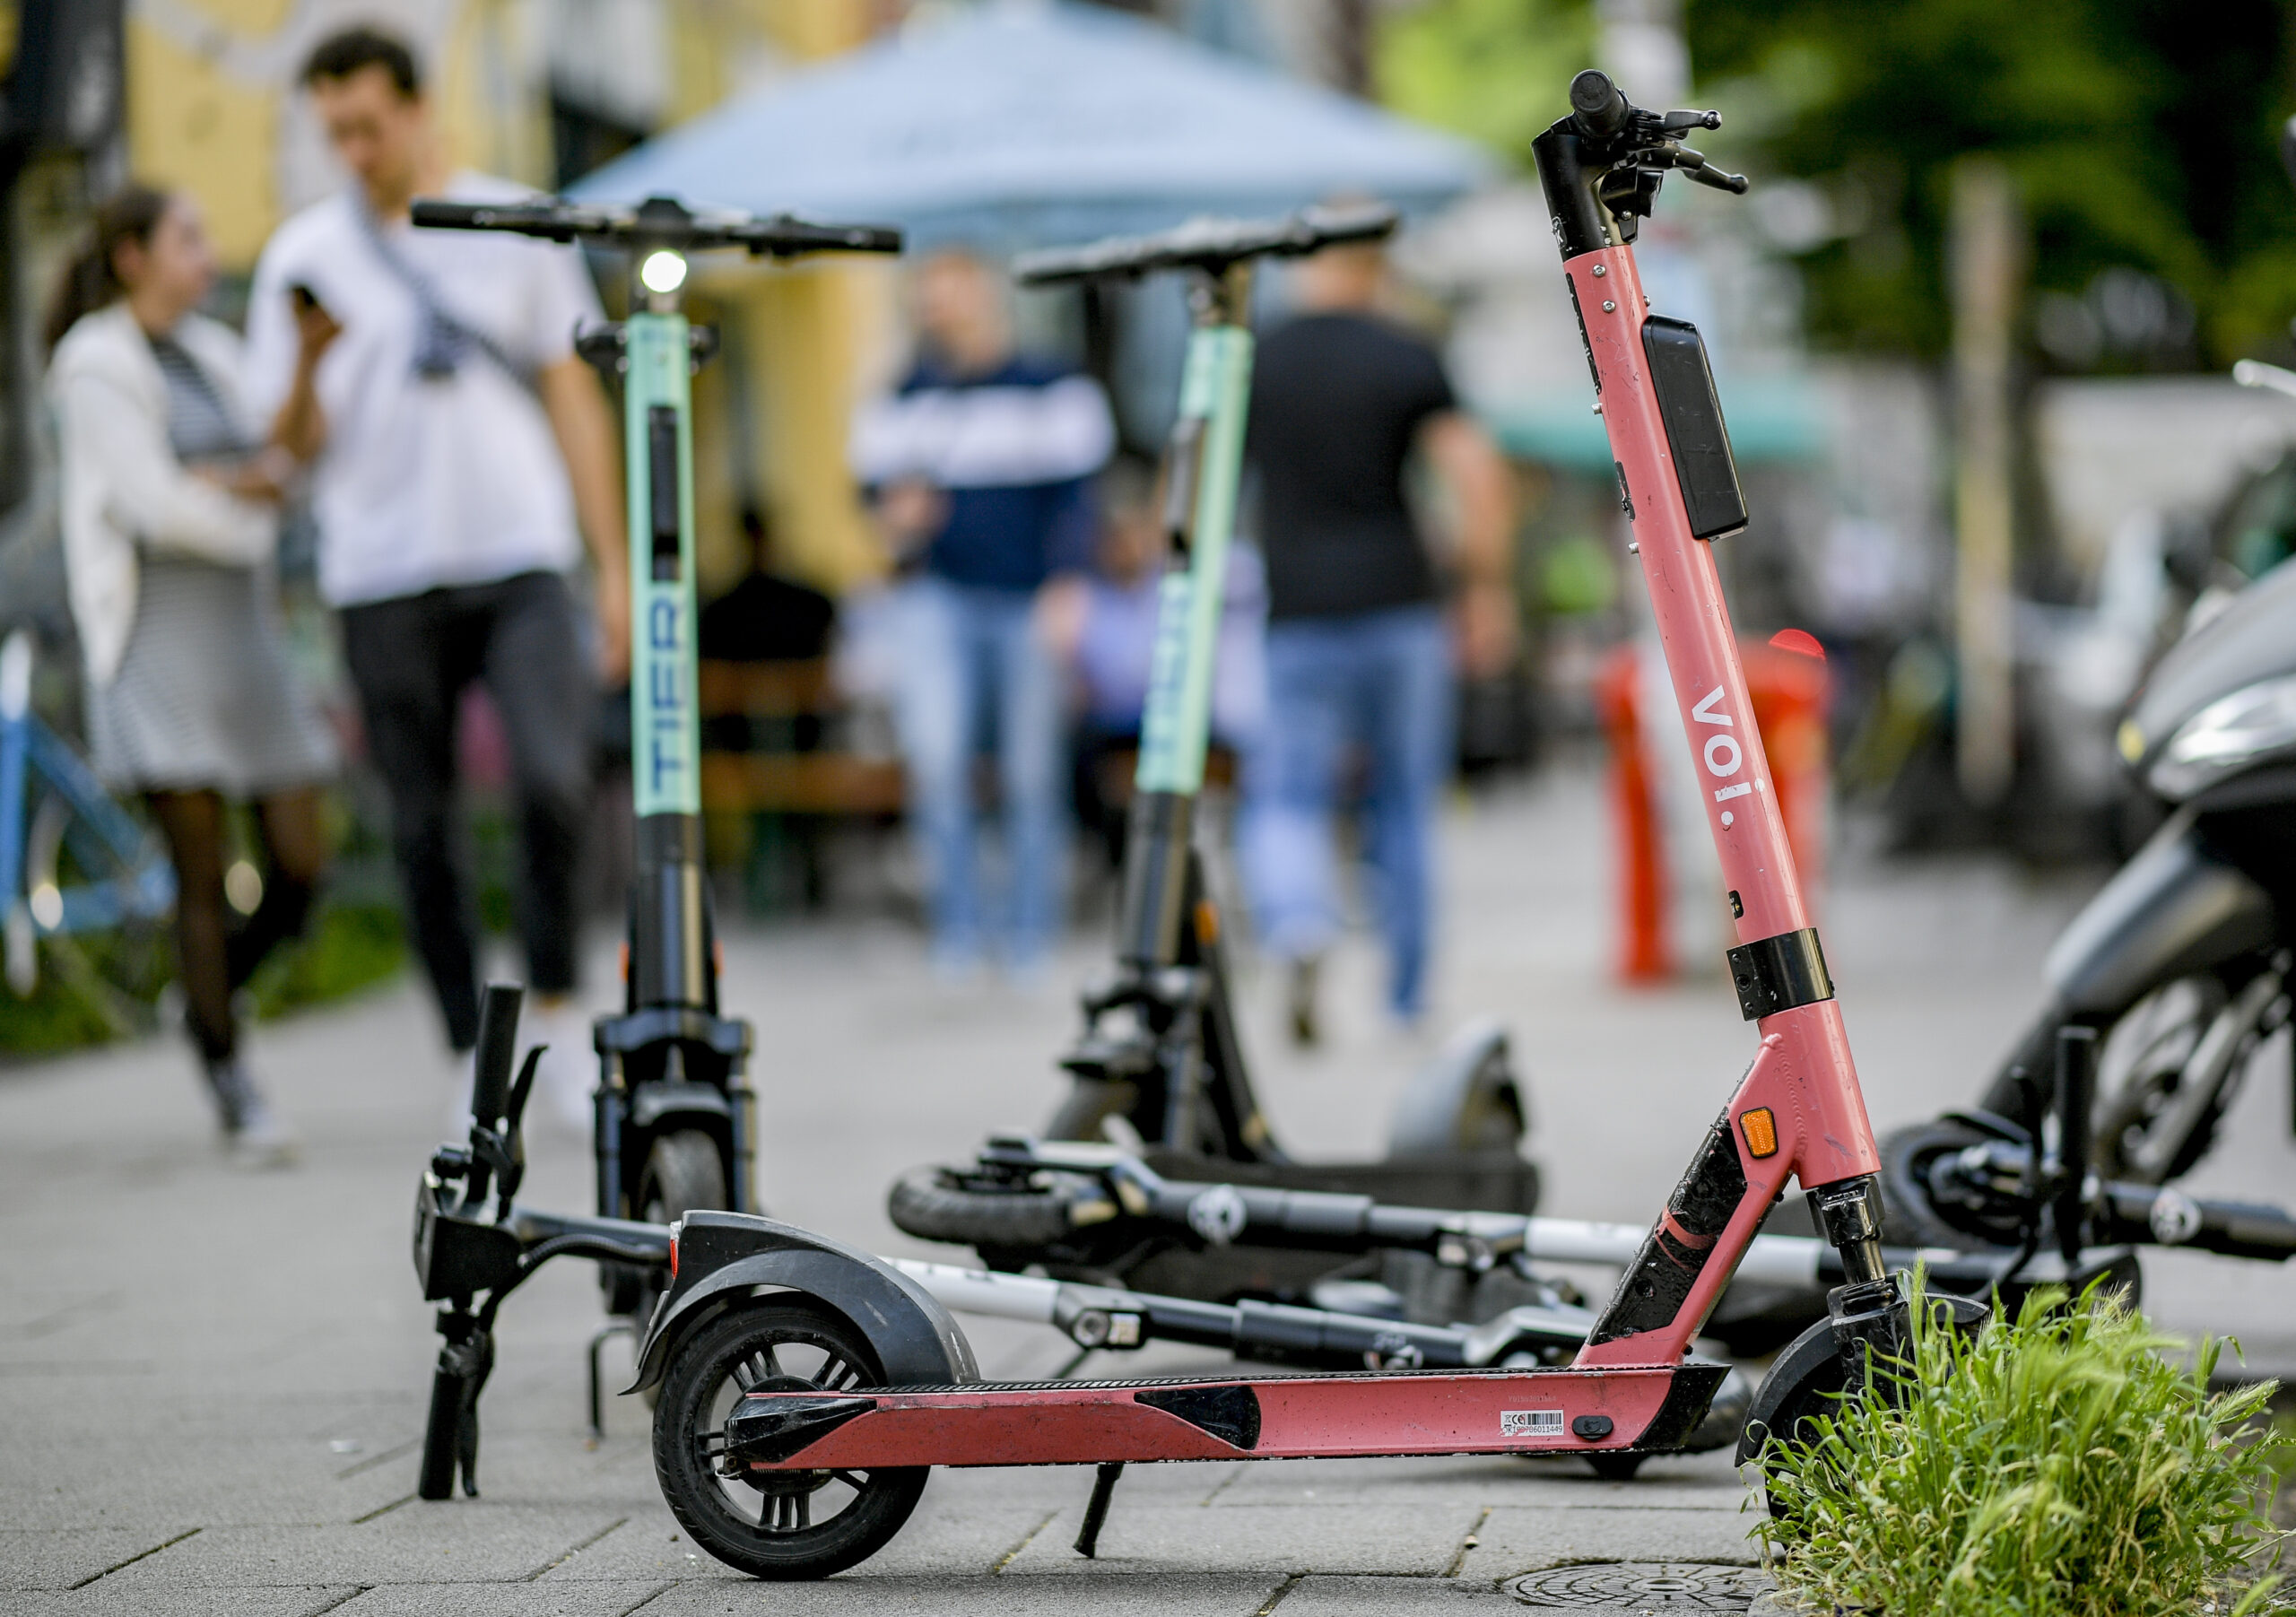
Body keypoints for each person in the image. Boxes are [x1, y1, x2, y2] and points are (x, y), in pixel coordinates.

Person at [243, 28, 628, 1126]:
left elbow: (573, 397)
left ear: (417, 111)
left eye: (369, 125)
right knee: (422, 821)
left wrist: (610, 569)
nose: (355, 150)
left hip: (520, 559)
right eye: (336, 134)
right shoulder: (301, 255)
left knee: (555, 781)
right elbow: (289, 451)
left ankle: (552, 1003)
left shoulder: (515, 224)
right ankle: (469, 1042)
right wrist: (312, 359)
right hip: (381, 571)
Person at [47, 185, 337, 1165]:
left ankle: (203, 997)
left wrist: (300, 374)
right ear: (131, 256)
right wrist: (253, 495)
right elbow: (156, 507)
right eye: (187, 238)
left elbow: (291, 455)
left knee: (301, 863)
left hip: (243, 633)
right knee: (200, 875)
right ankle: (230, 1074)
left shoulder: (214, 350)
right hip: (158, 633)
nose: (206, 255)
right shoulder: (93, 359)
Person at [1241, 231, 1515, 1043]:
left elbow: (1194, 477)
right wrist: (1486, 587)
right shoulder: (1404, 353)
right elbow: (1475, 473)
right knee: (1404, 801)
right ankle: (1402, 1000)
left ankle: (1298, 921)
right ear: (1377, 269)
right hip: (1399, 605)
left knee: (1288, 794)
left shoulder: (1257, 356)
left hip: (1294, 610)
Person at [849, 248, 1113, 980]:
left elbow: (1080, 500)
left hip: (1030, 596)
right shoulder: (903, 396)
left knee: (1033, 770)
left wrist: (1070, 584)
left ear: (987, 297)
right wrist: (893, 516)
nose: (941, 308)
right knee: (938, 763)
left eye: (953, 293)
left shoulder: (1051, 384)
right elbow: (871, 500)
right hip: (937, 595)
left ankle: (1030, 933)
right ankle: (959, 931)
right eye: (930, 296)